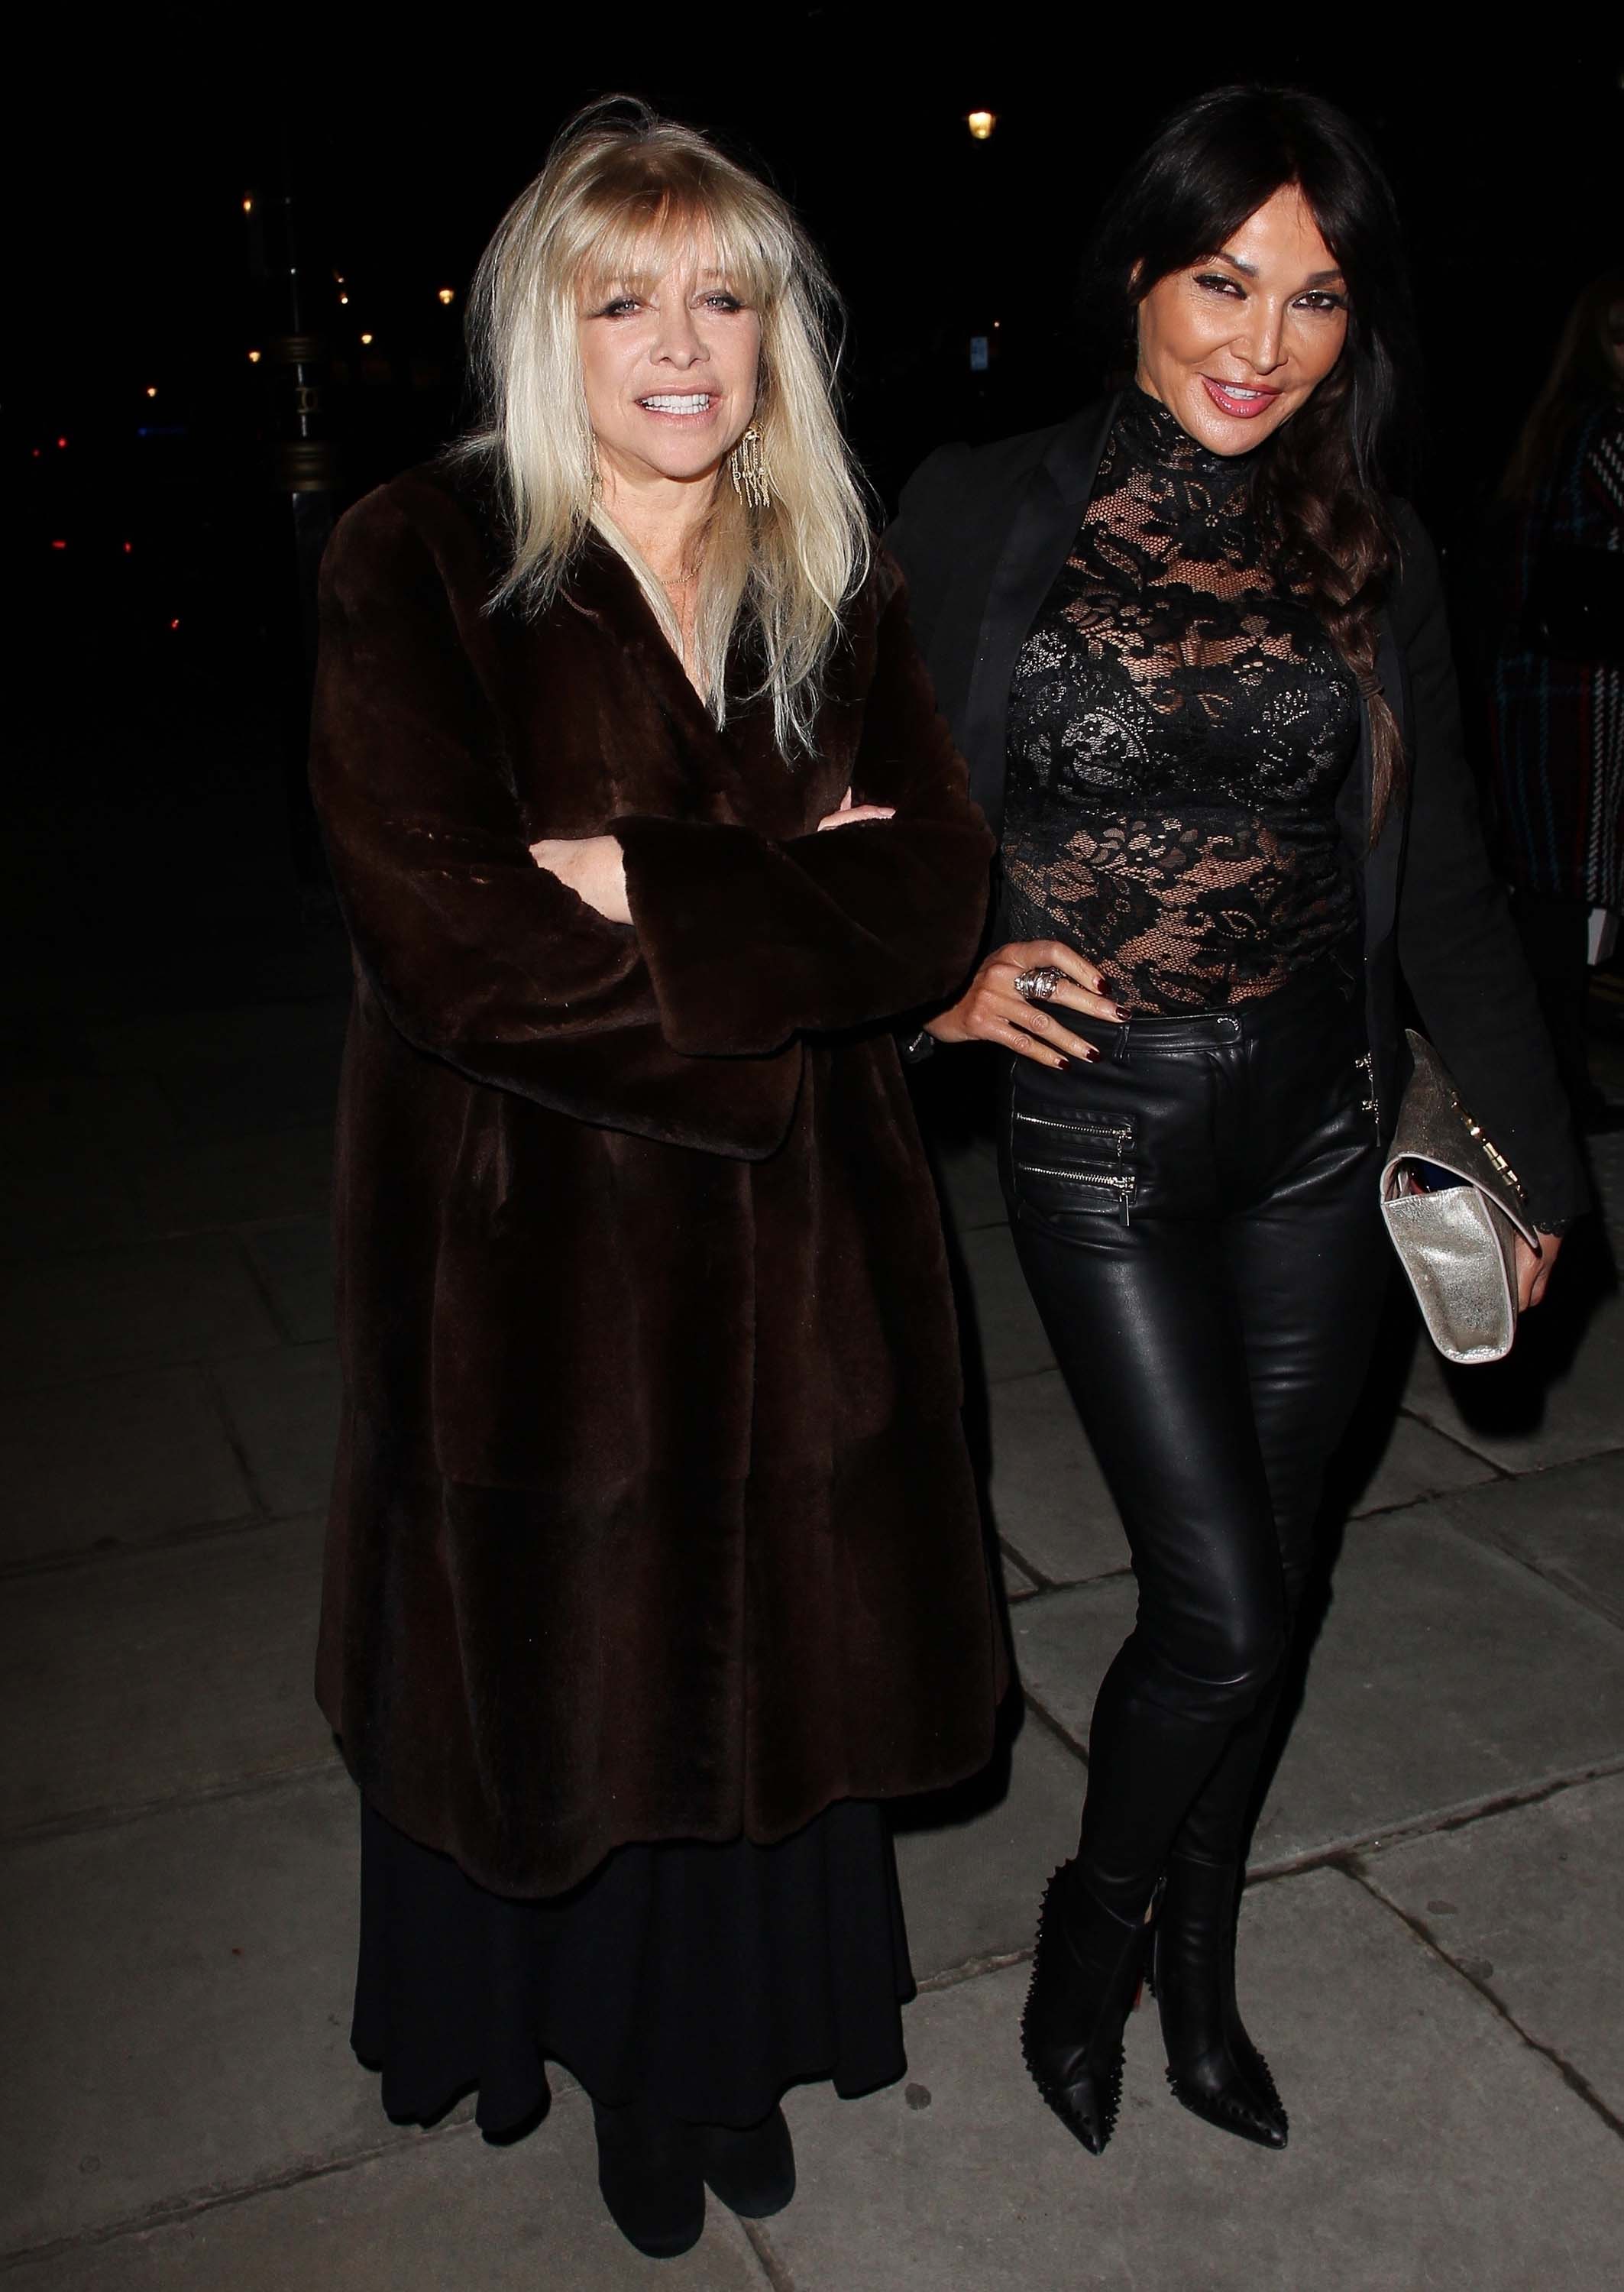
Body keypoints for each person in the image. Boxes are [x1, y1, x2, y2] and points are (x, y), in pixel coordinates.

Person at [309, 100, 1003, 2261]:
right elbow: (455, 949)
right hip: (530, 1244)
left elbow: (933, 900)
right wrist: (783, 966)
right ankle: (613, 2059)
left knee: (777, 1664)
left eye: (722, 297)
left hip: (814, 1254)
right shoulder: (420, 558)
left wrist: (651, 881)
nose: (681, 347)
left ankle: (738, 2044)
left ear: (775, 326)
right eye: (625, 302)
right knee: (576, 1684)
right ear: (550, 326)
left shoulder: (829, 564)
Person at [888, 85, 1588, 2158]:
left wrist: (1537, 1168)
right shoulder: (974, 504)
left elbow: (1442, 886)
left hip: (1317, 1138)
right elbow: (856, 805)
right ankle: (1093, 1926)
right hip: (1097, 1135)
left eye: (1313, 298)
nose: (1260, 341)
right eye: (1221, 280)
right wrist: (925, 987)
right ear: (1136, 272)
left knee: (1268, 1589)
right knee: (1215, 1606)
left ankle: (1195, 1957)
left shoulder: (1373, 546)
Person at [1487, 270, 1624, 1129]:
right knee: (1566, 896)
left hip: (1539, 688)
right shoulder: (1604, 428)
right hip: (1583, 693)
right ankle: (1560, 1087)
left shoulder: (1554, 428)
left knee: (1551, 897)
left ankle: (1555, 1084)